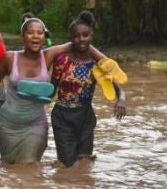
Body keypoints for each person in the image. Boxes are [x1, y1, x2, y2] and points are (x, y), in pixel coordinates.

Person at [0, 16, 105, 164]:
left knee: (29, 165)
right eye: (31, 32)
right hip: (8, 125)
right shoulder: (9, 58)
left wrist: (107, 62)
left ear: (44, 37)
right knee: (8, 165)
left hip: (36, 124)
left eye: (40, 32)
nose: (36, 36)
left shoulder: (48, 55)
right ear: (23, 36)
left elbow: (80, 44)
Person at [51, 11, 127, 167]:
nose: (81, 39)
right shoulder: (61, 60)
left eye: (85, 35)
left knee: (84, 162)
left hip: (85, 116)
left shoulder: (97, 65)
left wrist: (121, 101)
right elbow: (51, 89)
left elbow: (119, 89)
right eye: (76, 36)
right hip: (62, 117)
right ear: (70, 39)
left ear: (91, 36)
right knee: (67, 165)